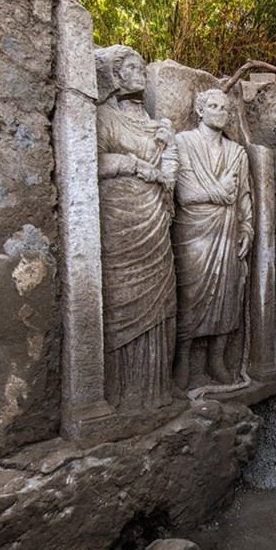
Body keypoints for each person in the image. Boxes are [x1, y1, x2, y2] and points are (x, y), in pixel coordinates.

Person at [94, 45, 179, 410]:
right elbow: (93, 161)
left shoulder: (155, 123)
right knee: (123, 298)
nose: (140, 72)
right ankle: (121, 393)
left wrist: (169, 149)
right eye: (131, 66)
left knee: (160, 297)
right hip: (121, 217)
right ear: (115, 75)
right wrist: (134, 164)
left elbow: (171, 172)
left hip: (156, 217)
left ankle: (156, 390)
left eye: (142, 66)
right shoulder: (103, 117)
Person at [171, 89, 254, 388]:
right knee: (188, 294)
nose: (220, 112)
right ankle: (182, 359)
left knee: (228, 292)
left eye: (225, 108)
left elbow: (242, 195)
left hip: (228, 231)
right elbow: (185, 194)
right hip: (192, 231)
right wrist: (219, 192)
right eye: (214, 106)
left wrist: (247, 228)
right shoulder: (183, 142)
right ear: (200, 110)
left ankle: (216, 359)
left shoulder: (237, 153)